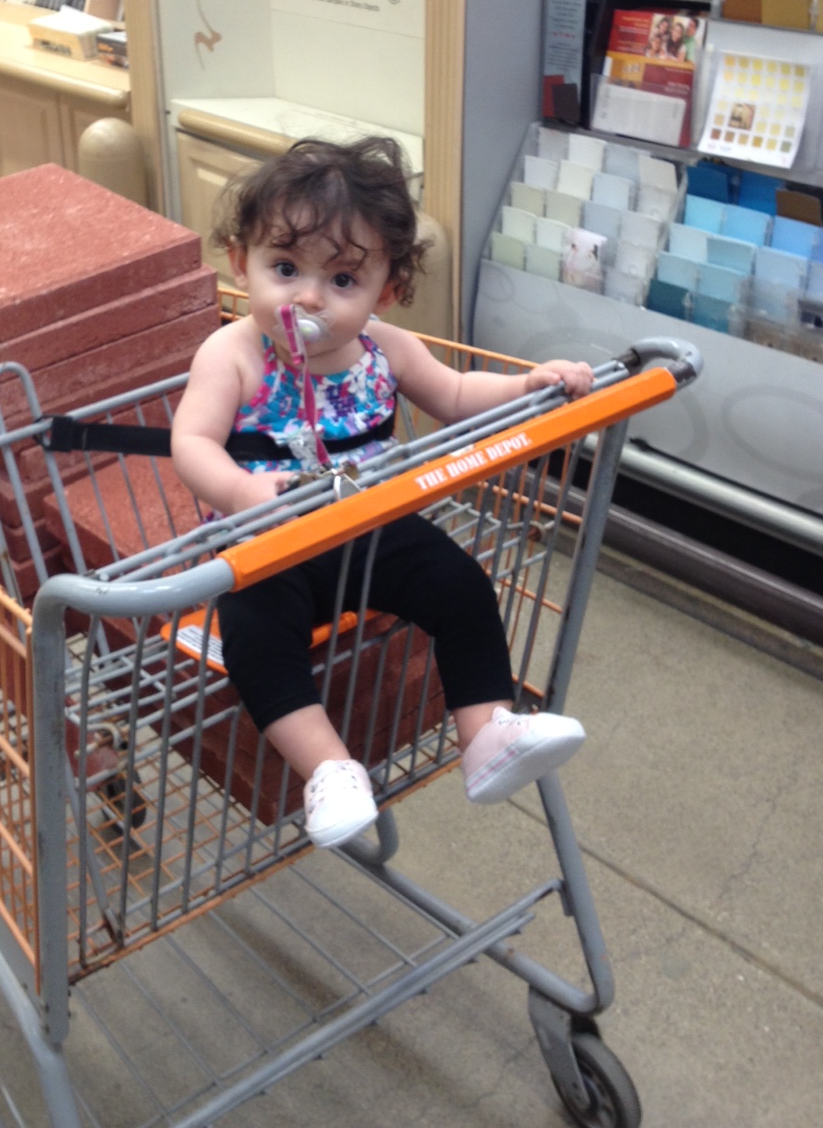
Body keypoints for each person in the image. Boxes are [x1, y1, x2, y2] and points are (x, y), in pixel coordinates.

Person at [171, 137, 594, 850]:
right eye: (285, 269)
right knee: (255, 639)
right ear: (240, 263)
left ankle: (486, 734)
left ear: (385, 291)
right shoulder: (232, 354)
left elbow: (456, 394)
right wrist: (240, 490)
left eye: (343, 280)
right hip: (268, 543)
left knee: (460, 584)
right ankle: (329, 770)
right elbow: (191, 442)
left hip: (370, 526)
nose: (309, 297)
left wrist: (528, 385)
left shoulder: (385, 349)